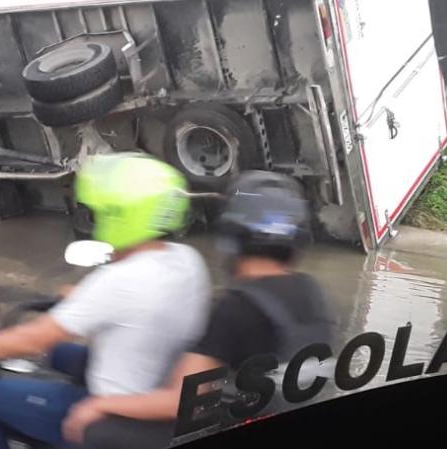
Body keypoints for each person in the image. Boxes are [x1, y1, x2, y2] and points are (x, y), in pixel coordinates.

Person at [0, 153, 211, 449]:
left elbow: (33, 340)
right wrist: (83, 300)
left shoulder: (119, 280)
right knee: (59, 353)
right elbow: (138, 310)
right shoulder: (188, 261)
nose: (94, 219)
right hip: (157, 390)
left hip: (114, 416)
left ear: (119, 215)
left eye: (97, 213)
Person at [62, 171, 337, 449]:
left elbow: (179, 403)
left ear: (231, 237)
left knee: (96, 429)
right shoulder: (313, 293)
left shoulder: (236, 308)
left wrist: (101, 404)